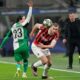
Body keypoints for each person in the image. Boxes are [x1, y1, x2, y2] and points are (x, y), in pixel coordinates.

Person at [0, 0, 33, 78]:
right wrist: (30, 7)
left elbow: (6, 37)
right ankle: (24, 73)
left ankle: (18, 69)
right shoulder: (23, 24)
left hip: (16, 47)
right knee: (25, 60)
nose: (25, 19)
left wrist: (1, 46)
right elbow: (29, 17)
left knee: (18, 60)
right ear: (20, 20)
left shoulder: (13, 27)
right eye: (23, 18)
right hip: (24, 45)